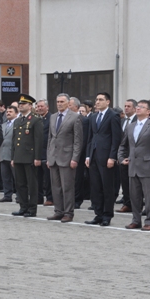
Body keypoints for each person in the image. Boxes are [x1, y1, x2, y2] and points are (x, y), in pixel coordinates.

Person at [118, 100, 150, 231]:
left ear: (148, 111)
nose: (138, 108)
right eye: (138, 106)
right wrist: (121, 158)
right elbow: (123, 145)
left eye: (142, 107)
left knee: (149, 196)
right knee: (134, 196)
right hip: (133, 166)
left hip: (147, 166)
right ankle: (136, 220)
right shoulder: (131, 126)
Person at [84, 92, 122, 227]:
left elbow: (116, 138)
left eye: (101, 99)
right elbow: (90, 138)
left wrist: (112, 157)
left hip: (106, 158)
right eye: (97, 99)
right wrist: (88, 155)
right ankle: (98, 214)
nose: (98, 102)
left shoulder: (113, 116)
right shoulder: (93, 117)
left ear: (108, 102)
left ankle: (107, 215)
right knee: (96, 187)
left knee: (107, 188)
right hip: (94, 156)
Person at [46, 94, 83, 223]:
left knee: (67, 187)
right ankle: (58, 211)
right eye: (57, 102)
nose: (59, 104)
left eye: (62, 101)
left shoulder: (75, 117)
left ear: (68, 103)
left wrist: (75, 158)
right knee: (56, 187)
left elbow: (78, 141)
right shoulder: (53, 117)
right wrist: (49, 156)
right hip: (54, 157)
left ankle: (68, 212)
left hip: (67, 157)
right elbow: (50, 138)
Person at [11, 94, 43, 218]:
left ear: (30, 106)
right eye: (20, 104)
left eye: (23, 104)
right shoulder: (18, 120)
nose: (20, 105)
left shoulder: (35, 120)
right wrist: (13, 157)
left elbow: (38, 140)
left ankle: (32, 208)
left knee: (32, 184)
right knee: (20, 184)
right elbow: (14, 140)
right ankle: (23, 207)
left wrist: (37, 157)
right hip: (19, 156)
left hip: (29, 157)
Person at [115, 99, 137, 214]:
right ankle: (127, 203)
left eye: (129, 106)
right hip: (123, 157)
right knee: (125, 182)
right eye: (125, 106)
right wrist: (120, 157)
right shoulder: (122, 121)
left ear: (134, 108)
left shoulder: (138, 120)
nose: (126, 108)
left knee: (135, 183)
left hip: (134, 157)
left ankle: (136, 204)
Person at [70, 97, 90, 209]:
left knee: (77, 177)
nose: (68, 107)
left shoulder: (83, 119)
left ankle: (77, 199)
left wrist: (78, 153)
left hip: (79, 153)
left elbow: (84, 138)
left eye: (70, 105)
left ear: (76, 107)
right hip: (67, 152)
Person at [0, 105, 18, 202]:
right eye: (7, 112)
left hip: (13, 155)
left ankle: (19, 195)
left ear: (16, 113)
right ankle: (7, 195)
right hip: (3, 154)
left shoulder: (18, 124)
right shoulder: (3, 125)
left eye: (10, 112)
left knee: (17, 177)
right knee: (5, 177)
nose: (8, 113)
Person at [36, 99, 53, 206]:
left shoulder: (51, 118)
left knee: (48, 179)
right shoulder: (36, 119)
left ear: (47, 107)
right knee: (37, 178)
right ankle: (38, 198)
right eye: (38, 106)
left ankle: (50, 198)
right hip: (37, 153)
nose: (39, 108)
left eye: (41, 106)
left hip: (47, 152)